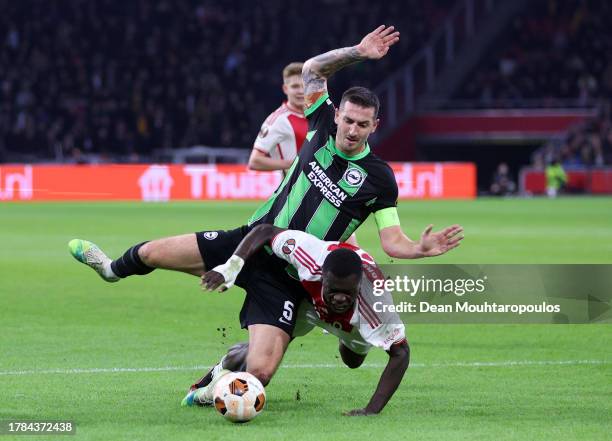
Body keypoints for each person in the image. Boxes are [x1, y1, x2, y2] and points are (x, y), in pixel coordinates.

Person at [69, 24, 462, 395]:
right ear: (337, 115)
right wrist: (358, 52)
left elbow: (392, 242)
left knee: (260, 374)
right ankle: (108, 269)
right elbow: (311, 69)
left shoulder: (379, 178)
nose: (351, 130)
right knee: (152, 253)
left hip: (291, 278)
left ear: (375, 125)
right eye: (347, 119)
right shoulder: (321, 121)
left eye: (362, 124)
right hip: (251, 241)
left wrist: (421, 249)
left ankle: (217, 383)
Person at [182, 223, 462, 415]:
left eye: (347, 292)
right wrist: (232, 266)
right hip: (309, 305)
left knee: (353, 361)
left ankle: (344, 339)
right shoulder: (308, 254)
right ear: (321, 275)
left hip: (355, 324)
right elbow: (265, 231)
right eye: (334, 290)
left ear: (359, 285)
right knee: (259, 364)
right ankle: (219, 371)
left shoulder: (376, 303)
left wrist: (371, 410)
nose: (340, 297)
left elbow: (400, 353)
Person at [248, 62, 307, 172]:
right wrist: (296, 164)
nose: (300, 91)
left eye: (304, 86)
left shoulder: (318, 115)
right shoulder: (278, 120)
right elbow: (254, 161)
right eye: (295, 86)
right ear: (285, 89)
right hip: (293, 188)